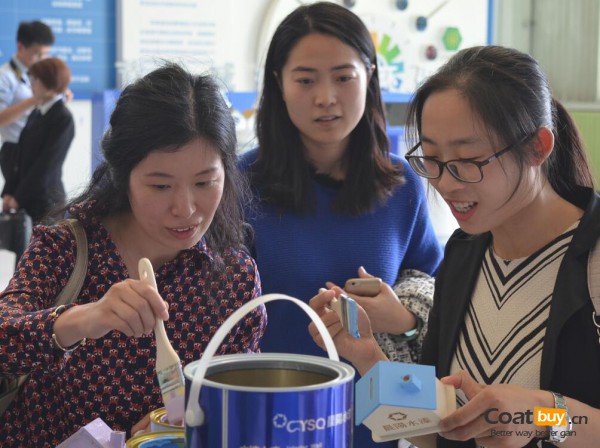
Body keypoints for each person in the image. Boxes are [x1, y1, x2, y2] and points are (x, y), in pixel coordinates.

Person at [309, 45, 600, 447]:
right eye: (431, 159)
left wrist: (541, 416)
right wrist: (367, 356)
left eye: (468, 160)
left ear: (537, 147)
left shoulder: (590, 257)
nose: (445, 183)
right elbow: (437, 430)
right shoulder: (464, 255)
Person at [0, 63, 266, 447]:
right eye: (160, 186)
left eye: (204, 182)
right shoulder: (68, 248)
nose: (185, 208)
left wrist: (185, 424)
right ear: (123, 176)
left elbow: (241, 403)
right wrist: (82, 319)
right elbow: (5, 339)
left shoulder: (233, 280)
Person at [239, 3, 442, 447]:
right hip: (268, 422)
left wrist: (403, 318)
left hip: (381, 426)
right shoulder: (238, 185)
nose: (326, 97)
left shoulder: (404, 185)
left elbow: (439, 300)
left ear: (369, 76)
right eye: (305, 79)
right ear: (278, 82)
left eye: (344, 77)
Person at [1, 57, 74, 224]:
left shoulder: (63, 118)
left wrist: (18, 197)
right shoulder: (36, 113)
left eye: (34, 80)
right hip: (27, 201)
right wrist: (9, 192)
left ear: (49, 82)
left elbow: (46, 164)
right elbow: (20, 155)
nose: (30, 86)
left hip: (47, 203)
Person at [0, 20, 55, 181]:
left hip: (41, 148)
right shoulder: (5, 77)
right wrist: (34, 100)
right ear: (20, 47)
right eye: (38, 54)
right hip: (16, 151)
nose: (42, 59)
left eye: (46, 54)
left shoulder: (40, 74)